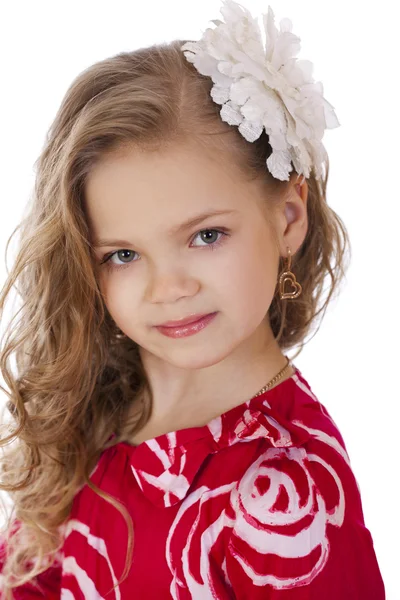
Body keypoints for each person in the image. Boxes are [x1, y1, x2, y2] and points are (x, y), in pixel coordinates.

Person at [0, 0, 385, 598]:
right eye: (123, 255)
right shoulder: (94, 411)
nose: (169, 288)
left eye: (206, 236)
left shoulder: (287, 489)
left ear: (288, 217)